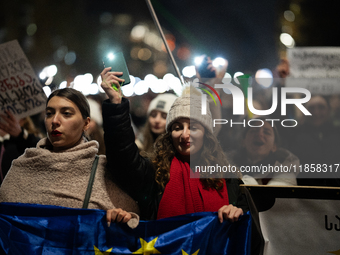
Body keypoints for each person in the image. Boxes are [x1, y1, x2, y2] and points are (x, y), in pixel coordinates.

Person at [100, 67, 247, 222]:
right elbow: (122, 157)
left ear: (206, 134)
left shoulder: (229, 178)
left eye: (193, 127)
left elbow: (248, 220)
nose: (185, 134)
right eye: (177, 128)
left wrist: (238, 211)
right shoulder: (156, 174)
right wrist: (116, 103)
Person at [0, 88, 139, 228]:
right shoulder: (23, 165)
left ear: (86, 123)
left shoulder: (104, 171)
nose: (54, 120)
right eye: (49, 114)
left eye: (66, 114)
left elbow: (132, 224)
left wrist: (122, 218)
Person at [229, 119, 298, 186]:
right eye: (253, 131)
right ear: (242, 141)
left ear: (274, 146)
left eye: (266, 132)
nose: (259, 134)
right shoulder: (226, 165)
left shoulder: (285, 171)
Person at [0, 111, 42, 185]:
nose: (7, 120)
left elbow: (39, 150)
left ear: (23, 119)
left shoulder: (31, 139)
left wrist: (20, 134)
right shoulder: (4, 142)